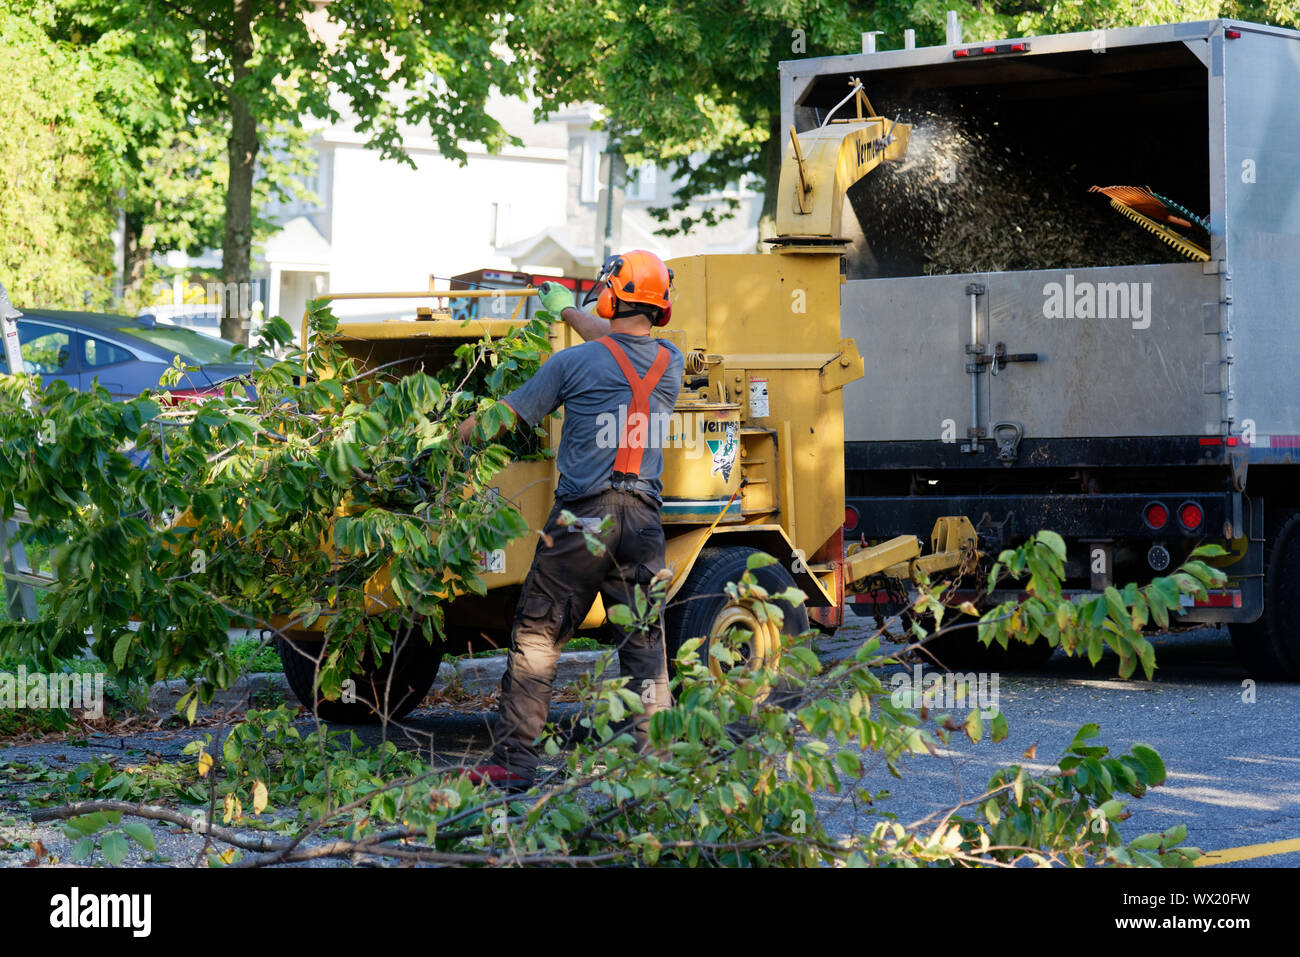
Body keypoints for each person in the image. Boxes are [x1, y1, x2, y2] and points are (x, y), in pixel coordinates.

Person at [457, 250, 684, 790]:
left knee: (537, 637)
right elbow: (615, 344)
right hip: (645, 524)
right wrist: (569, 314)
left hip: (585, 520)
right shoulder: (669, 361)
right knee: (646, 647)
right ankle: (655, 767)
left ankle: (514, 765)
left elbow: (502, 419)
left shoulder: (570, 365)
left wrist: (442, 439)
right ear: (661, 307)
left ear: (609, 296)